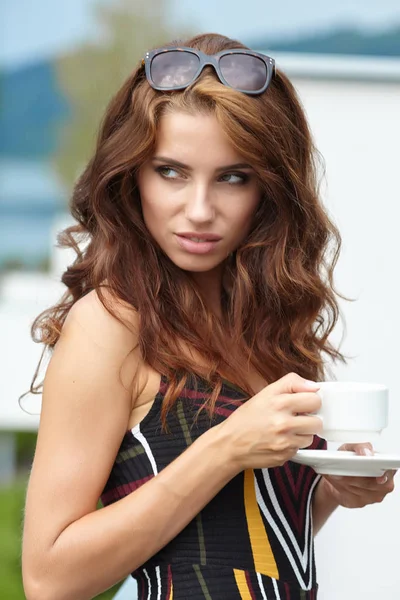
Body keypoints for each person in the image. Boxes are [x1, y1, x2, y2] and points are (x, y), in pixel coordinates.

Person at [21, 33, 395, 600]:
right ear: (131, 175)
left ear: (270, 191)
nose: (199, 211)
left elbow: (249, 542)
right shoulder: (112, 325)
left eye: (232, 177)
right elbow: (49, 579)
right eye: (170, 171)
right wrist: (223, 449)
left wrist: (330, 492)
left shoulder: (273, 330)